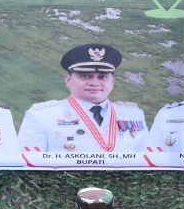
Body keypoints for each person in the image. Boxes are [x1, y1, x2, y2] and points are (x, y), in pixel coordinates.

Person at [20, 45, 150, 156]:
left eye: (102, 77)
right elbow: (28, 163)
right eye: (85, 76)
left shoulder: (133, 114)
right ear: (68, 80)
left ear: (112, 81)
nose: (94, 82)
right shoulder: (41, 115)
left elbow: (147, 158)